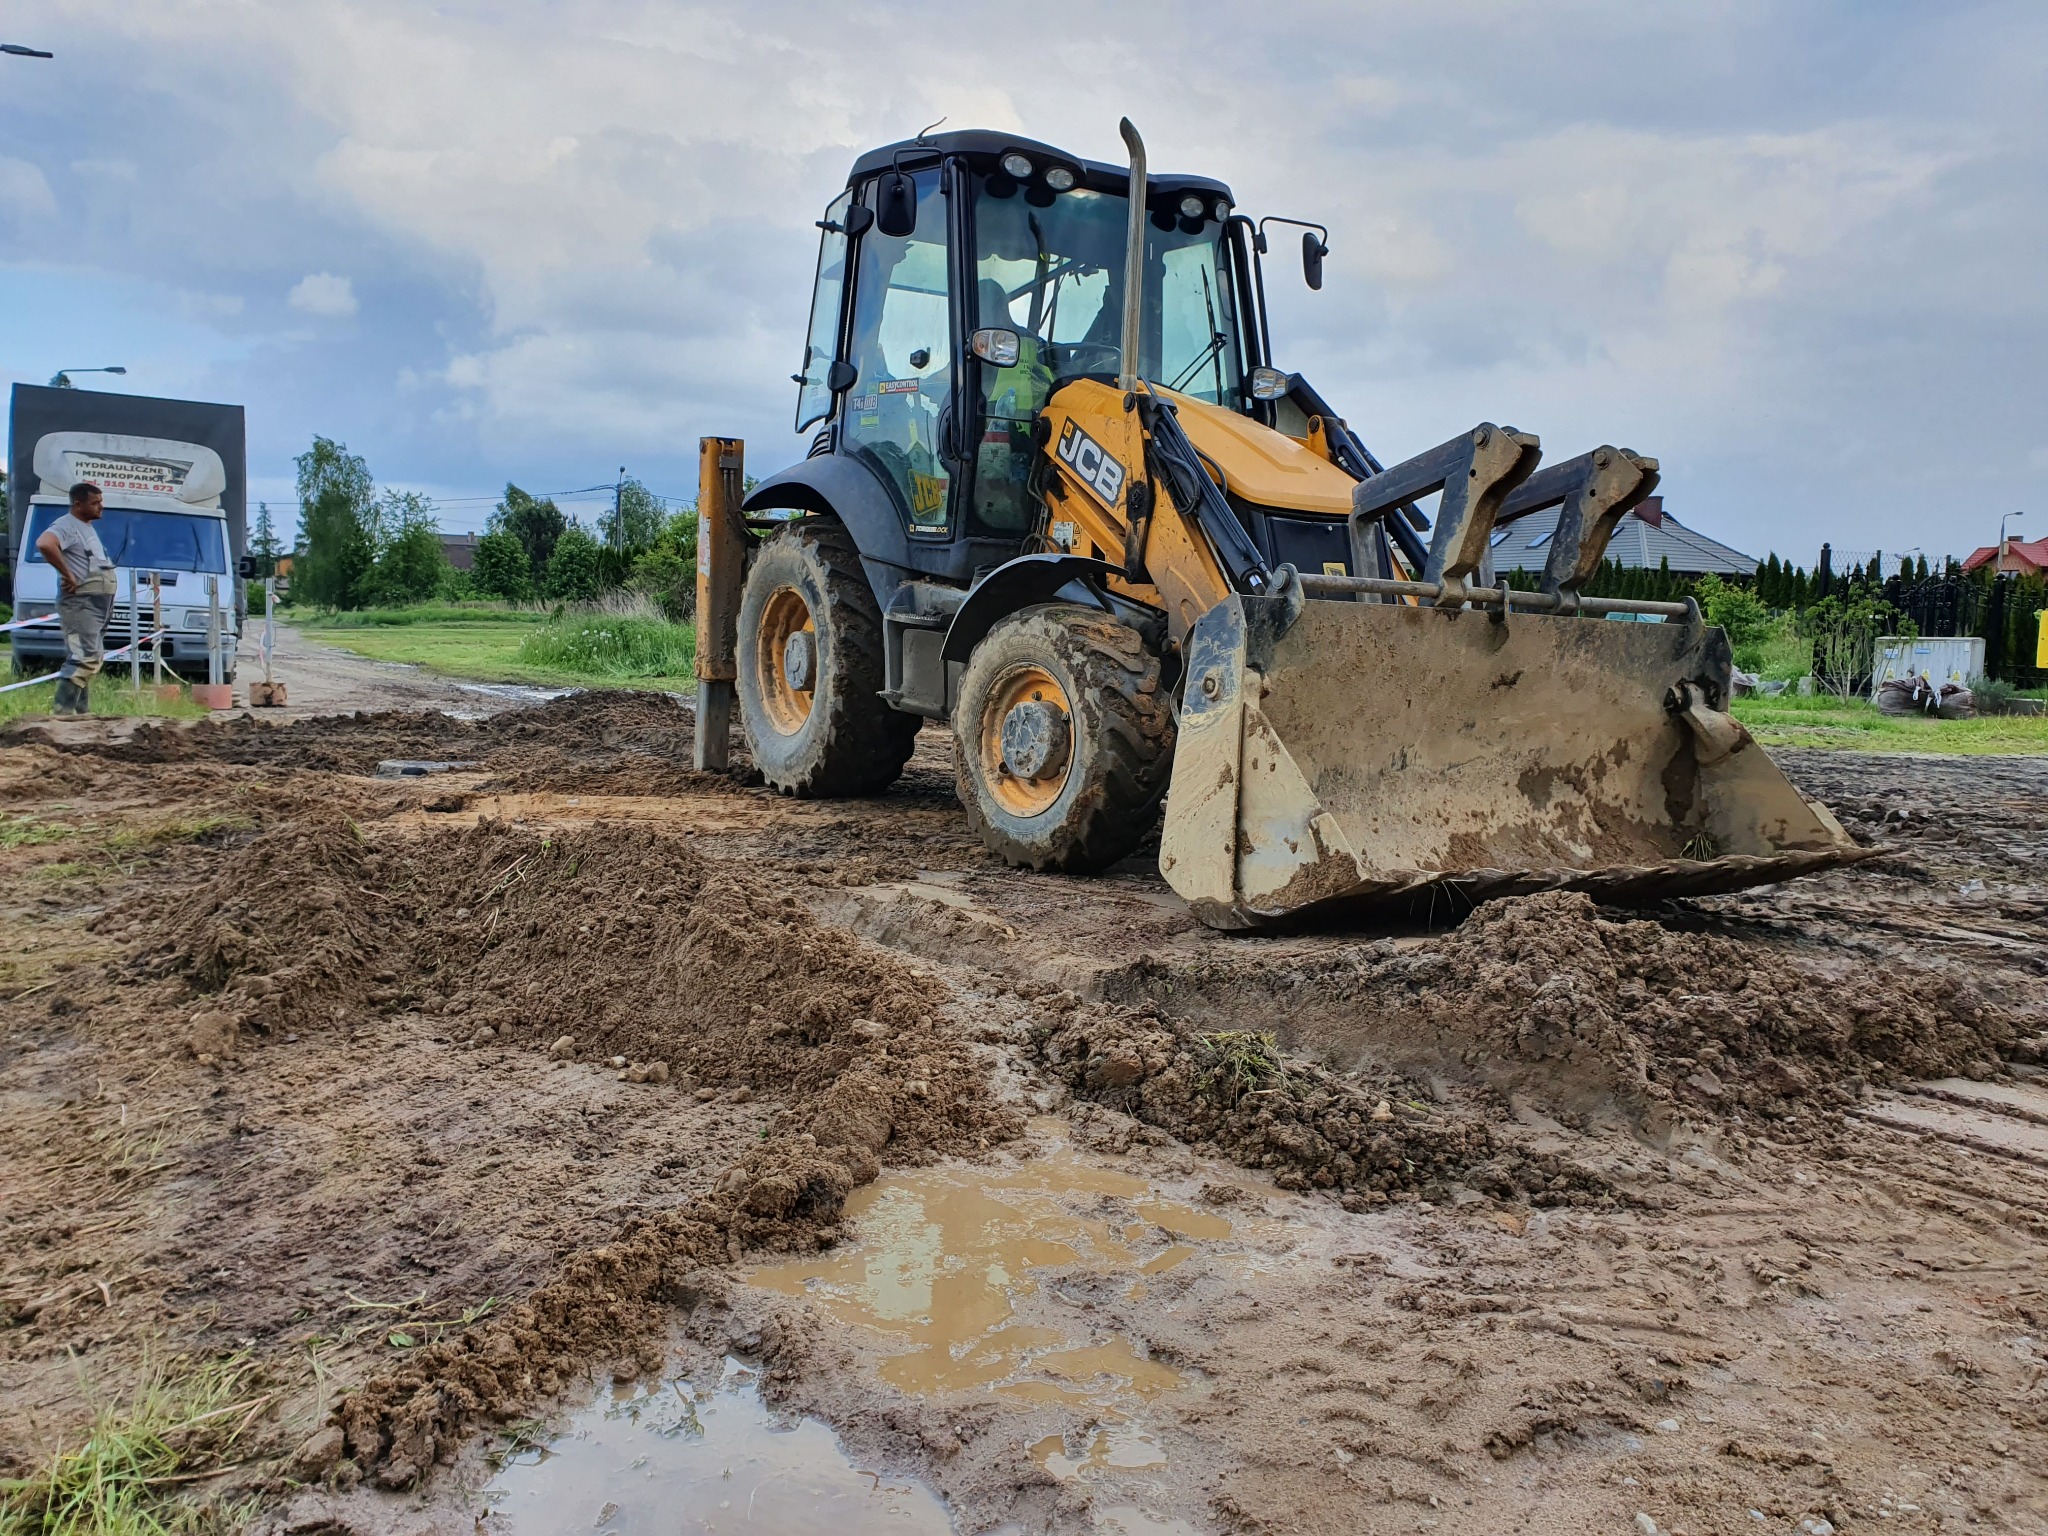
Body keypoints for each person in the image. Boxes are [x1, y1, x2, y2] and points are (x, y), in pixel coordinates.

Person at [34, 481, 118, 716]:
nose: (101, 507)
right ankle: (63, 712)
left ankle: (81, 712)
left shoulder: (86, 526)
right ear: (78, 504)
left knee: (90, 656)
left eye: (101, 501)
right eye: (95, 503)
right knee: (85, 657)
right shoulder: (66, 525)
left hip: (97, 603)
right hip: (81, 603)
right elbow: (44, 543)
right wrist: (67, 574)